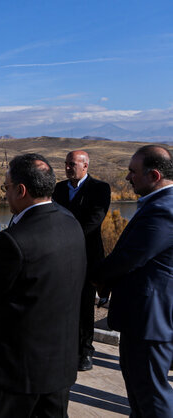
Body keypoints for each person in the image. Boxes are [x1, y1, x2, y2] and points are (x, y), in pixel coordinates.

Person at [0, 153, 87, 417]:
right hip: (59, 366)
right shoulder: (71, 223)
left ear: (21, 190)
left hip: (16, 372)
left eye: (6, 187)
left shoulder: (12, 241)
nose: (4, 194)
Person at [91, 145, 173, 417]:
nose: (127, 178)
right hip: (142, 318)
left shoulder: (164, 210)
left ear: (154, 175)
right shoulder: (158, 204)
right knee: (139, 392)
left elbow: (129, 258)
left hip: (150, 320)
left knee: (151, 395)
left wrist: (93, 277)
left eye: (132, 172)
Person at [52, 150, 111, 371]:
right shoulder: (58, 189)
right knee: (61, 303)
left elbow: (94, 221)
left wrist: (64, 237)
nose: (67, 168)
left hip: (86, 257)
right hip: (59, 257)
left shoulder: (100, 188)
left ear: (85, 166)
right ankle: (65, 347)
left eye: (72, 164)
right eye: (66, 164)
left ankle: (85, 351)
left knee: (85, 306)